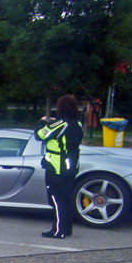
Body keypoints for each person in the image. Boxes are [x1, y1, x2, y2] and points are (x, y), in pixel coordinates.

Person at [34, 95, 84, 239]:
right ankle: (67, 228)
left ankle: (58, 230)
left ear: (61, 107)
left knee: (56, 199)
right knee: (66, 198)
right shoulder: (78, 124)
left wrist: (41, 122)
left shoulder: (60, 124)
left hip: (56, 166)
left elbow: (39, 135)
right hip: (72, 165)